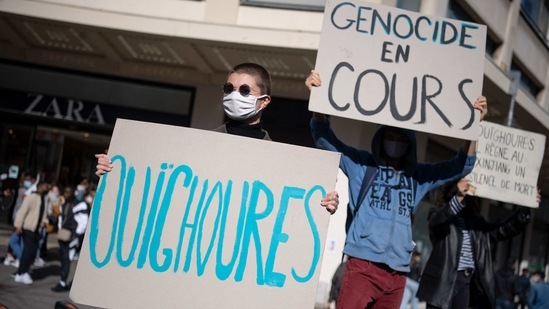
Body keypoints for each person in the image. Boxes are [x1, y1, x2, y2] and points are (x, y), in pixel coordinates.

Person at [305, 70, 487, 308]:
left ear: (410, 144)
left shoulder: (419, 177)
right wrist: (318, 102)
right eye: (389, 136)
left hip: (398, 274)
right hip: (362, 266)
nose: (395, 142)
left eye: (401, 139)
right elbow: (325, 139)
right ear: (379, 138)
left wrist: (473, 124)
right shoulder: (362, 164)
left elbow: (461, 166)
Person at [95, 63, 339, 207]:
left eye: (245, 90)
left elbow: (300, 202)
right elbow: (155, 185)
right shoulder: (199, 146)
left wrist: (324, 201)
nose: (234, 95)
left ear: (264, 102)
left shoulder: (280, 159)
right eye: (228, 89)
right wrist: (115, 169)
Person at [416, 178, 534, 309]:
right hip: (442, 283)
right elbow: (437, 222)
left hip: (465, 282)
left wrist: (524, 210)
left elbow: (501, 230)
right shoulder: (438, 214)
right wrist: (458, 197)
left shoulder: (476, 223)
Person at [13, 180, 50, 285]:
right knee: (28, 251)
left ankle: (21, 273)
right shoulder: (32, 197)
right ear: (40, 187)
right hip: (28, 228)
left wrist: (44, 222)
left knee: (31, 252)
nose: (47, 188)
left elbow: (45, 214)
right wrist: (18, 225)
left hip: (37, 229)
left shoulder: (45, 199)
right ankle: (22, 272)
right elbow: (22, 211)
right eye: (45, 186)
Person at [51, 186, 81, 292]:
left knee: (67, 259)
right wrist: (60, 230)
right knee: (63, 259)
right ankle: (62, 282)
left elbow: (83, 221)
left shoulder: (79, 204)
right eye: (66, 191)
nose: (67, 193)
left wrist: (75, 235)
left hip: (72, 237)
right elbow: (60, 218)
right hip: (63, 236)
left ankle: (63, 282)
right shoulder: (64, 204)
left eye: (69, 191)